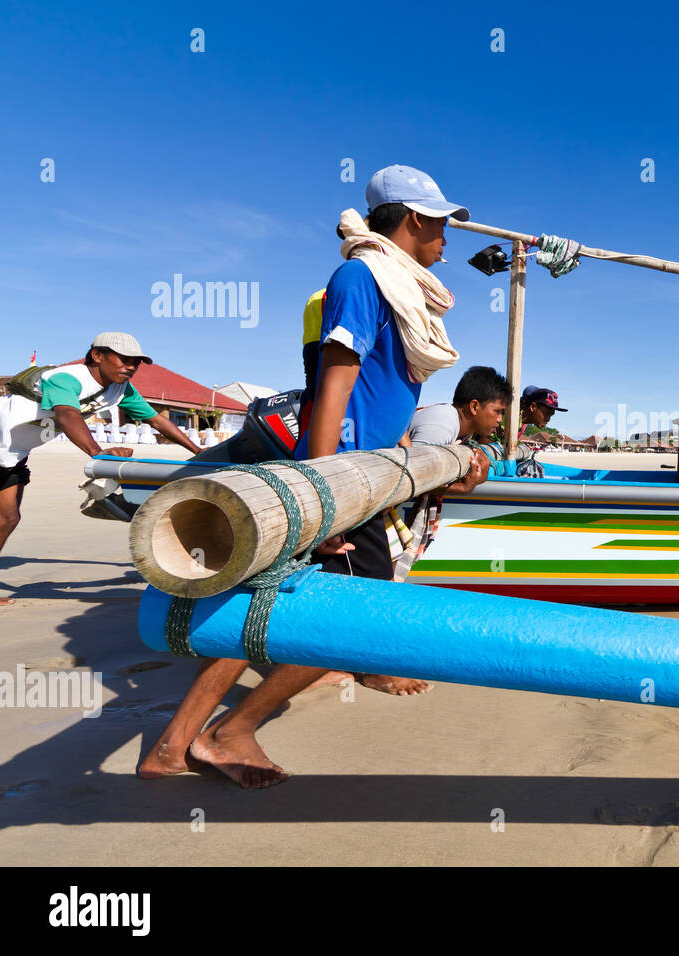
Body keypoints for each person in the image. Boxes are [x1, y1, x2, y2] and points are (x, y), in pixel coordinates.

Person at [139, 164, 469, 788]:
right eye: (443, 222)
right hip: (343, 480)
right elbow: (335, 383)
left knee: (269, 604)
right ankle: (230, 733)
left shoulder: (398, 286)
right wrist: (322, 497)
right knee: (354, 625)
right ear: (414, 218)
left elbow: (381, 390)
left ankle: (171, 747)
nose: (448, 237)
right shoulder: (361, 276)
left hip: (369, 474)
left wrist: (402, 456)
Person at [0, 333, 202, 590]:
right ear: (97, 355)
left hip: (12, 456)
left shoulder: (120, 390)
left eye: (135, 362)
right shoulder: (66, 378)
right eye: (123, 359)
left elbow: (157, 420)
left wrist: (198, 450)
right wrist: (98, 454)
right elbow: (67, 415)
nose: (130, 366)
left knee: (7, 519)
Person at [408, 365, 512, 494]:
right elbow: (410, 477)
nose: (499, 419)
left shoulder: (457, 426)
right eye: (497, 411)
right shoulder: (443, 424)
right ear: (474, 407)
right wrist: (463, 488)